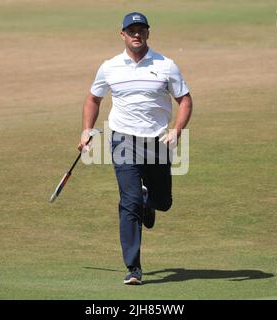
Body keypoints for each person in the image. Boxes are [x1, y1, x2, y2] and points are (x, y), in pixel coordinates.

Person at [78, 12, 193, 285]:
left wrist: (176, 131)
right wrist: (87, 130)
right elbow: (93, 99)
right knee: (128, 203)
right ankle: (133, 268)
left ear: (148, 33)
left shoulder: (166, 65)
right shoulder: (109, 67)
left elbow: (185, 100)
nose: (136, 35)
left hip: (157, 142)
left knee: (163, 202)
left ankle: (148, 201)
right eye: (132, 31)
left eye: (141, 30)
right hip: (123, 141)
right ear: (123, 35)